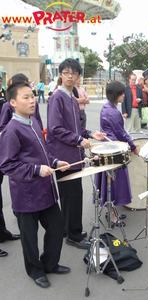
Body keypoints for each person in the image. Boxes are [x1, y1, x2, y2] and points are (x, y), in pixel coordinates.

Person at [0, 81, 70, 288]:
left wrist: (55, 162)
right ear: (12, 102)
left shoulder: (34, 122)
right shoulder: (11, 131)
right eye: (26, 97)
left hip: (46, 191)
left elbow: (44, 152)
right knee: (29, 238)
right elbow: (7, 165)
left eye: (32, 96)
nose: (32, 101)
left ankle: (50, 263)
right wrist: (37, 170)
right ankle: (35, 270)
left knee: (57, 228)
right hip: (26, 195)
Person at [46, 58, 106, 250]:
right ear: (60, 75)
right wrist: (79, 140)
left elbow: (77, 127)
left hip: (74, 155)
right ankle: (73, 235)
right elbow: (55, 129)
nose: (70, 76)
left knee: (72, 195)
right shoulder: (58, 97)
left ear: (78, 76)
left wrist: (89, 134)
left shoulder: (72, 97)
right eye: (66, 72)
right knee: (71, 196)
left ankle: (68, 228)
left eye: (74, 73)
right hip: (65, 156)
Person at [94, 81, 140, 225]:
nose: (123, 95)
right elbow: (121, 133)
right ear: (115, 94)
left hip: (109, 148)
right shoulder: (112, 111)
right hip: (112, 150)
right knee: (113, 184)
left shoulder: (108, 107)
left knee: (111, 182)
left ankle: (111, 211)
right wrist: (133, 146)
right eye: (121, 93)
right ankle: (112, 216)